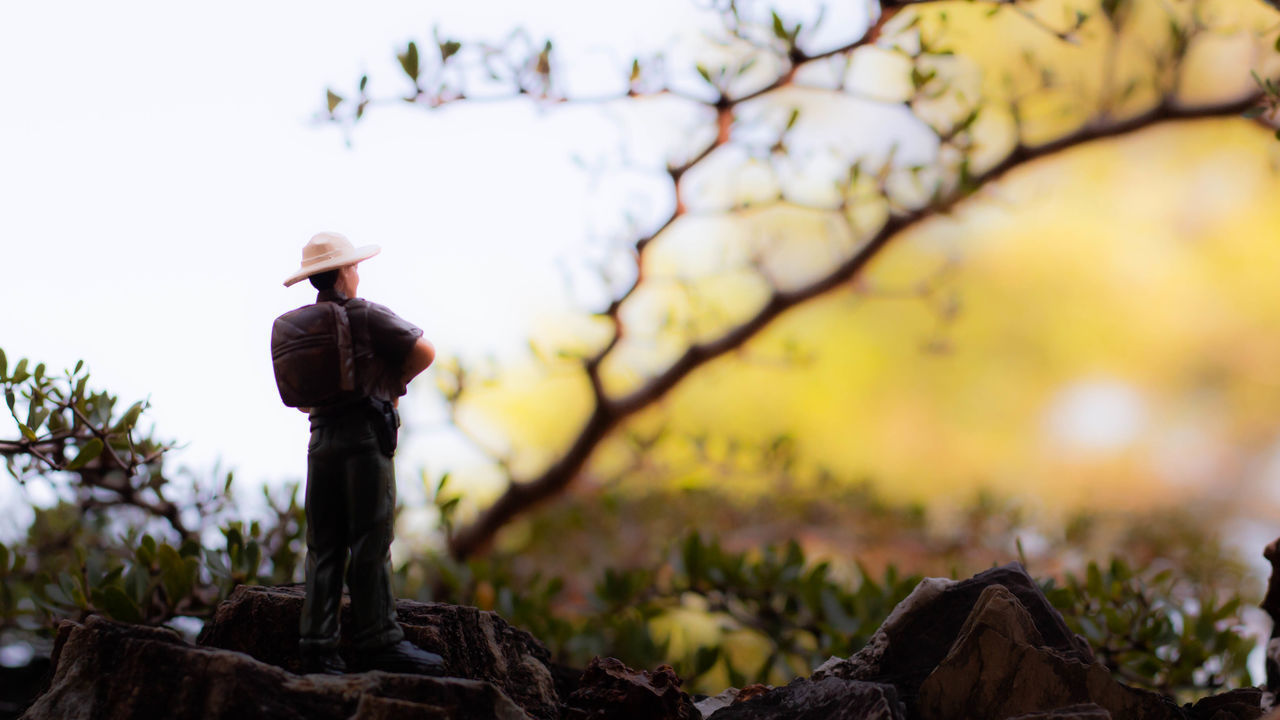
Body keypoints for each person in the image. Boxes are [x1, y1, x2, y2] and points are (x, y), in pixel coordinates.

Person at [277, 232, 444, 675]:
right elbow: (423, 350)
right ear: (347, 272)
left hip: (321, 439)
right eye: (354, 266)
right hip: (365, 437)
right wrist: (389, 389)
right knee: (370, 538)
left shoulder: (298, 325)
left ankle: (316, 645)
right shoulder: (367, 314)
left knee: (324, 544)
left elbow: (298, 397)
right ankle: (378, 640)